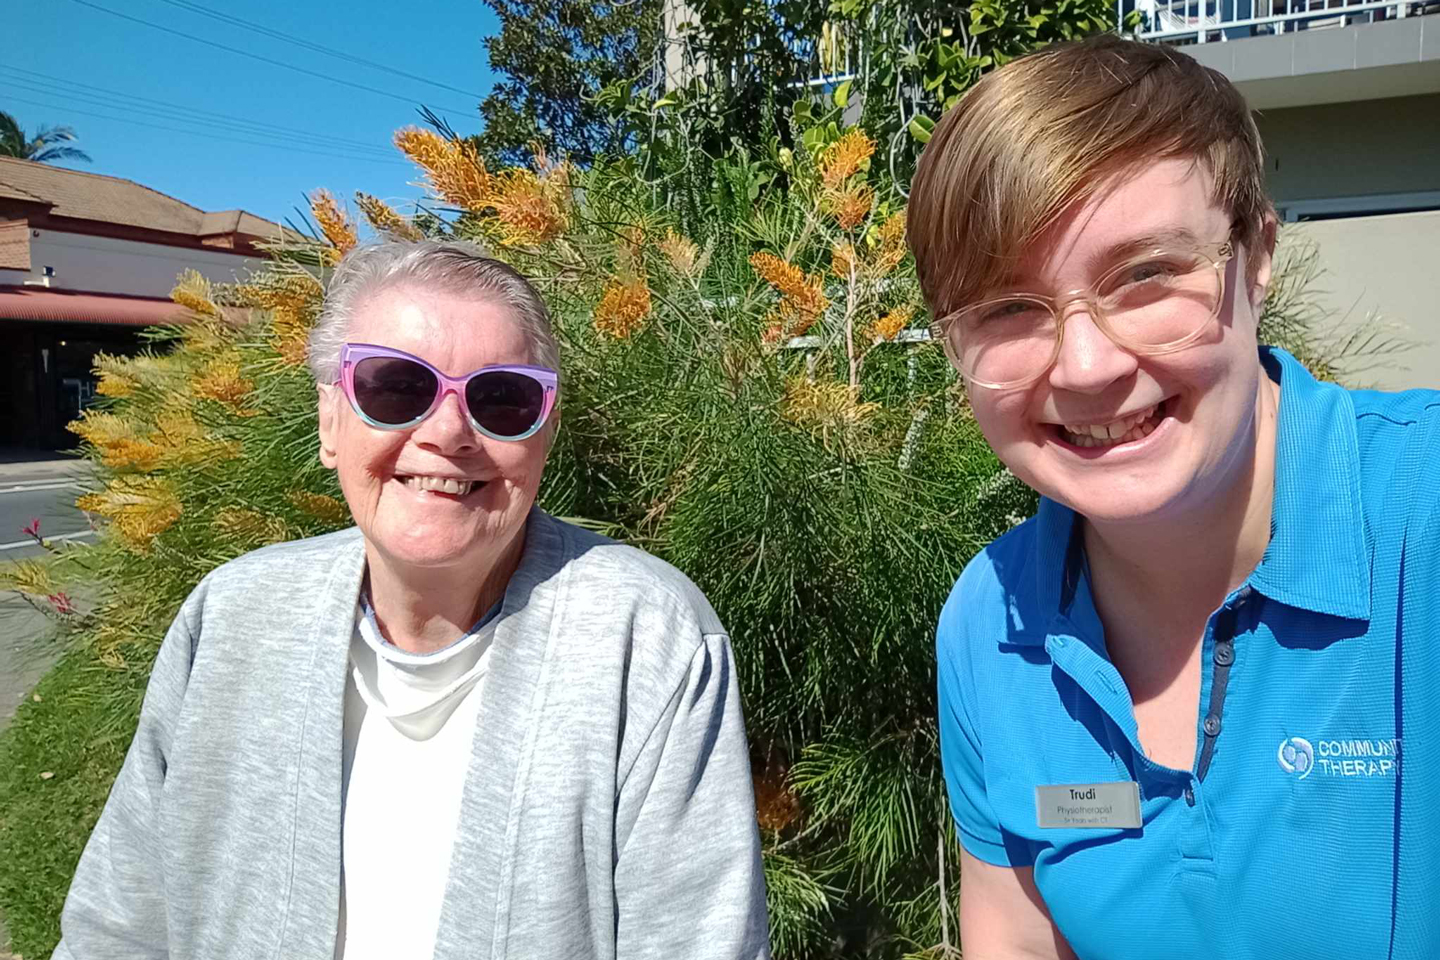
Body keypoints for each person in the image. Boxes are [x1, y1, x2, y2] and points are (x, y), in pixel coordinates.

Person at [53, 241, 771, 960]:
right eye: (397, 387)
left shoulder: (646, 639)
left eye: (502, 399)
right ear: (331, 420)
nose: (450, 433)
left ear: (545, 434)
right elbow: (120, 923)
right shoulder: (236, 617)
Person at [907, 35, 1439, 960]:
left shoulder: (1419, 517)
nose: (1085, 366)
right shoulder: (990, 625)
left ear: (1258, 254)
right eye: (1006, 309)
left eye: (1146, 276)